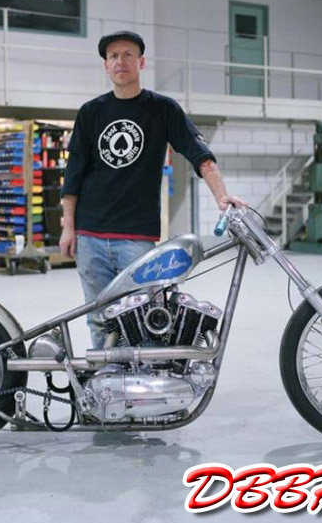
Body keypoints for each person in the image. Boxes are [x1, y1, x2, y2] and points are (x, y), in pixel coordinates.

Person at [59, 30, 246, 348]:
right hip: (90, 236)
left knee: (146, 317)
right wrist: (68, 227)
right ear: (106, 65)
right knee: (99, 318)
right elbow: (74, 173)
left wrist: (222, 196)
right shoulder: (91, 112)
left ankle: (143, 378)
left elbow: (199, 155)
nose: (120, 61)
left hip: (136, 237)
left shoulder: (163, 109)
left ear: (141, 62)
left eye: (128, 54)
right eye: (113, 56)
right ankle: (106, 377)